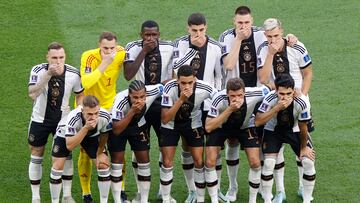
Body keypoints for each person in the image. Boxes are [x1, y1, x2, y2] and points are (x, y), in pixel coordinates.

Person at [218, 6, 299, 201]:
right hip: (235, 95)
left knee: (267, 139)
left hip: (259, 95)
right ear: (234, 21)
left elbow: (276, 40)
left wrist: (291, 38)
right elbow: (228, 65)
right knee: (233, 140)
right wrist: (238, 39)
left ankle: (270, 188)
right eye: (239, 23)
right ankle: (233, 187)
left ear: (252, 21)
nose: (243, 26)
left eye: (246, 22)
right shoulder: (226, 37)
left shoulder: (261, 35)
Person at [257, 18, 313, 202]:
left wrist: (302, 95)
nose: (273, 39)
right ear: (265, 35)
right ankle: (280, 191)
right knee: (276, 150)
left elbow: (308, 73)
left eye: (276, 35)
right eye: (269, 36)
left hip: (298, 104)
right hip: (276, 101)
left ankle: (301, 187)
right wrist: (271, 54)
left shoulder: (297, 46)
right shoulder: (263, 49)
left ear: (282, 31)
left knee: (302, 148)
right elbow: (264, 78)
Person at [172, 13, 225, 203]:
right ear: (188, 28)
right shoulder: (179, 44)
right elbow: (176, 70)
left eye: (201, 30)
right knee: (188, 145)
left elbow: (220, 76)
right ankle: (192, 190)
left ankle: (216, 188)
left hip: (209, 102)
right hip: (187, 102)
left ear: (206, 27)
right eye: (194, 30)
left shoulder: (217, 47)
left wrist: (218, 101)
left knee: (214, 146)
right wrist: (193, 48)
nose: (198, 33)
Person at [123, 20, 174, 201]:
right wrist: (144, 51)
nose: (150, 38)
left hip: (162, 104)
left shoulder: (169, 47)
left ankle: (163, 189)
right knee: (140, 149)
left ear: (159, 35)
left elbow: (175, 74)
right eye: (147, 35)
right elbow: (128, 74)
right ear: (141, 35)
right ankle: (140, 192)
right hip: (140, 105)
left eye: (154, 35)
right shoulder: (132, 47)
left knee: (164, 146)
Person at [27, 42, 84, 203]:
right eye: (54, 58)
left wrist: (77, 111)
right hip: (40, 119)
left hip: (63, 121)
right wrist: (48, 75)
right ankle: (35, 197)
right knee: (36, 153)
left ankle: (66, 195)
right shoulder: (38, 71)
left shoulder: (73, 73)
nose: (58, 62)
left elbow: (80, 94)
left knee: (64, 156)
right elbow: (32, 94)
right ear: (47, 57)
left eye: (61, 58)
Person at [205, 78, 271, 203]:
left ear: (245, 93)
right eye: (232, 96)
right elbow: (208, 127)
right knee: (209, 162)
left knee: (255, 162)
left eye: (240, 95)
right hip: (221, 126)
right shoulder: (219, 98)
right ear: (227, 94)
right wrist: (229, 109)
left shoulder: (255, 93)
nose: (236, 99)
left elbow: (270, 88)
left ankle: (252, 200)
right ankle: (220, 196)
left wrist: (295, 92)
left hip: (245, 126)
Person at [78, 31, 126, 203]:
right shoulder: (89, 57)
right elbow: (86, 83)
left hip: (111, 108)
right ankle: (86, 193)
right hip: (91, 109)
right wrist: (105, 63)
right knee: (85, 151)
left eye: (112, 48)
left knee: (117, 149)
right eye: (105, 48)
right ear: (99, 45)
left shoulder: (121, 52)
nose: (109, 51)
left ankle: (121, 189)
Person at [160, 65, 217, 203]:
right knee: (167, 162)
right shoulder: (169, 88)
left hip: (193, 123)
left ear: (195, 80)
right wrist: (180, 99)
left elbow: (219, 99)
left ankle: (198, 197)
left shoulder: (206, 88)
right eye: (183, 83)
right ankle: (166, 199)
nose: (187, 86)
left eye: (190, 82)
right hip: (170, 125)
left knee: (198, 161)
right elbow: (165, 118)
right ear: (177, 80)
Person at [255, 74, 316, 203]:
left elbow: (303, 126)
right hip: (273, 130)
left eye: (289, 93)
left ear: (294, 90)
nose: (285, 97)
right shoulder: (270, 98)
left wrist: (303, 148)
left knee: (308, 161)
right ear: (276, 90)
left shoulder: (302, 101)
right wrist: (276, 108)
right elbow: (258, 121)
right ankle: (267, 200)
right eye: (282, 93)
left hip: (295, 130)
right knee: (269, 163)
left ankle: (306, 200)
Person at [108, 80, 164, 203]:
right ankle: (118, 201)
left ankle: (143, 200)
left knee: (144, 160)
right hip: (119, 125)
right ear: (129, 95)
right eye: (135, 97)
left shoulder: (152, 91)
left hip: (138, 126)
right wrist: (132, 111)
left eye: (142, 97)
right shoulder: (120, 101)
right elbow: (116, 129)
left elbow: (164, 86)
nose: (139, 100)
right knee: (117, 162)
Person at [50, 95, 112, 203]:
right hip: (66, 135)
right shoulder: (73, 118)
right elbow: (70, 146)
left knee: (103, 164)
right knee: (57, 166)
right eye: (89, 114)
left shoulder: (105, 116)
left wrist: (99, 152)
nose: (93, 117)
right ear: (83, 111)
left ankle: (104, 201)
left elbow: (104, 134)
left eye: (96, 113)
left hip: (91, 136)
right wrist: (86, 128)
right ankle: (55, 201)